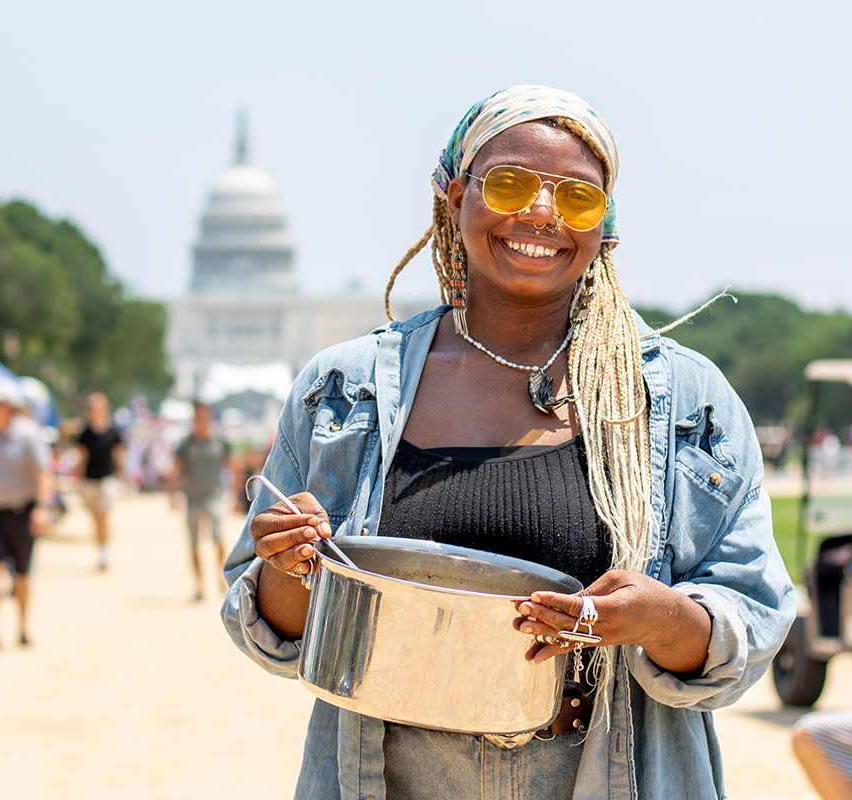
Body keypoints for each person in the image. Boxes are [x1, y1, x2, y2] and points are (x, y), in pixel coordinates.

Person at [220, 85, 794, 799]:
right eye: (511, 183)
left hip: (603, 771)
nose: (543, 215)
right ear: (454, 196)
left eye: (578, 198)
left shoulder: (684, 402)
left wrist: (658, 618)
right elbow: (275, 635)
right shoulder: (344, 391)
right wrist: (286, 564)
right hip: (388, 773)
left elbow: (749, 620)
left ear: (605, 225)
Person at [0, 383, 53, 647]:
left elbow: (43, 473)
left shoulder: (29, 435)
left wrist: (41, 508)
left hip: (22, 511)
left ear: (8, 407)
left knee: (21, 573)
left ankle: (23, 626)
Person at [170, 401, 234, 601]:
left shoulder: (220, 442)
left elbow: (233, 465)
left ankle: (220, 578)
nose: (201, 422)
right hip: (193, 498)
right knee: (194, 543)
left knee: (218, 539)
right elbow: (176, 469)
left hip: (214, 496)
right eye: (198, 418)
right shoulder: (186, 444)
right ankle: (199, 585)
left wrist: (236, 492)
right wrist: (172, 494)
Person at [75, 392, 124, 571]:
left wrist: (122, 476)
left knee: (103, 515)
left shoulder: (113, 432)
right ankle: (100, 546)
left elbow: (118, 456)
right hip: (89, 480)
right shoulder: (85, 433)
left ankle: (104, 550)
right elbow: (82, 456)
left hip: (107, 479)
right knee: (96, 517)